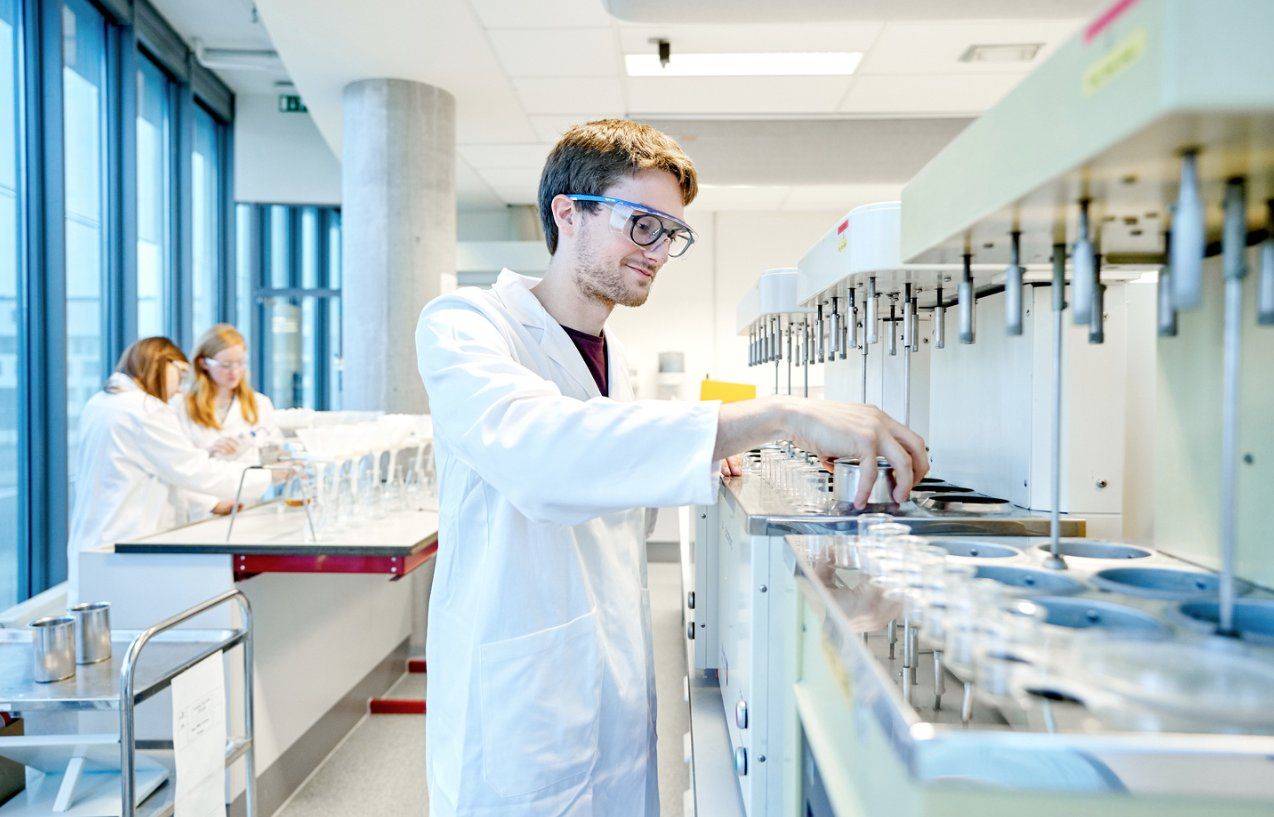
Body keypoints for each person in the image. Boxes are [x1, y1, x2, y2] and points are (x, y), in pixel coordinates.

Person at [415, 119, 928, 816]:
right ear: (569, 212)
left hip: (613, 687)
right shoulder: (465, 326)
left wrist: (714, 458)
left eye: (672, 234)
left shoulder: (613, 358)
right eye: (643, 225)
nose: (659, 251)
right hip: (520, 707)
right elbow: (542, 454)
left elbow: (612, 476)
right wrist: (777, 414)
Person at [66, 337, 276, 602]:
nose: (179, 388)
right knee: (135, 630)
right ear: (161, 365)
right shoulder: (145, 410)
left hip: (98, 539)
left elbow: (166, 472)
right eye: (180, 374)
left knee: (102, 631)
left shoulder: (103, 403)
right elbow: (192, 469)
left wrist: (211, 503)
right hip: (128, 540)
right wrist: (269, 476)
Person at [171, 324, 280, 519]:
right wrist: (209, 453)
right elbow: (176, 467)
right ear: (204, 363)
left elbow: (273, 458)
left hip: (247, 508)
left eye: (240, 363)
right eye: (226, 365)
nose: (234, 372)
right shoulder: (180, 406)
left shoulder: (259, 404)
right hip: (198, 513)